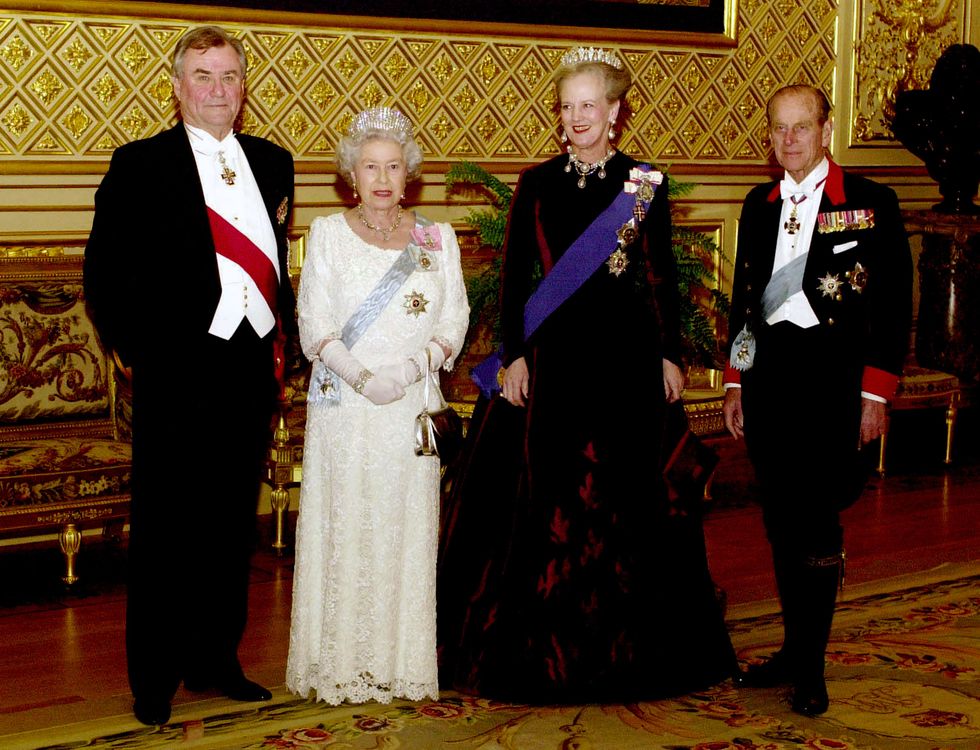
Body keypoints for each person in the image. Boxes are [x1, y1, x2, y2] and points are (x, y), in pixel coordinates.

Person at [437, 46, 737, 704]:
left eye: (588, 106)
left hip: (628, 365)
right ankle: (545, 656)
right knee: (552, 506)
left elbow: (657, 277)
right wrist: (511, 355)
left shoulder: (640, 186)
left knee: (631, 502)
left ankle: (636, 656)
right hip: (556, 365)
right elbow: (516, 277)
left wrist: (668, 358)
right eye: (566, 107)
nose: (575, 117)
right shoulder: (538, 184)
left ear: (615, 112)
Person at [83, 26, 298, 726]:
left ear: (244, 88)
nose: (217, 89)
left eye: (230, 76)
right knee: (166, 530)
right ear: (176, 88)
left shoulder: (273, 162)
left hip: (247, 369)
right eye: (202, 76)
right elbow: (105, 276)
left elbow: (274, 265)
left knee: (229, 525)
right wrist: (143, 351)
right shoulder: (140, 164)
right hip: (178, 372)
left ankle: (215, 659)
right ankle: (154, 677)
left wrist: (285, 344)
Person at [723, 84, 913, 716]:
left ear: (827, 129)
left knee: (818, 521)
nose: (790, 140)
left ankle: (811, 664)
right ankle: (791, 648)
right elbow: (745, 301)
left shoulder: (869, 203)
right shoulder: (758, 205)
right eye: (779, 129)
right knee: (780, 520)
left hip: (835, 385)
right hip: (772, 381)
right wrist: (734, 379)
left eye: (802, 127)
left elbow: (891, 309)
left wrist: (875, 394)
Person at [285, 107, 469, 706]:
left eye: (394, 166)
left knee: (404, 530)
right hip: (347, 408)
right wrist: (365, 377)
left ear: (408, 173)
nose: (383, 179)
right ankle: (339, 664)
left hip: (411, 409)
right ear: (352, 175)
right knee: (347, 526)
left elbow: (454, 320)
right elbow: (313, 325)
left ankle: (399, 663)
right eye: (371, 167)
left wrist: (411, 369)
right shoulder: (329, 234)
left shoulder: (434, 240)